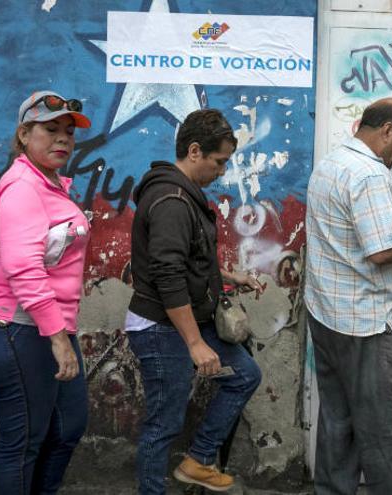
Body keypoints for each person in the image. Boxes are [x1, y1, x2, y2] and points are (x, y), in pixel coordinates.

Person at [126, 108, 263, 494]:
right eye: (219, 162)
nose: (222, 171)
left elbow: (187, 263)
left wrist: (228, 276)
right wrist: (195, 343)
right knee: (163, 425)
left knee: (245, 375)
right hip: (161, 329)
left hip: (180, 324)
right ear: (195, 151)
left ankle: (198, 459)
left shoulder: (184, 194)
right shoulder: (171, 200)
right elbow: (168, 277)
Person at [305, 97, 392, 495]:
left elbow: (350, 232)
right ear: (387, 131)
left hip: (327, 315)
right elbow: (380, 253)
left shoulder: (331, 163)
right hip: (365, 323)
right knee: (387, 433)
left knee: (337, 422)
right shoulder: (371, 175)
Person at [0, 91, 92, 494]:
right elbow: (23, 267)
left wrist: (59, 332)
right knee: (22, 443)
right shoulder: (22, 186)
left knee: (67, 427)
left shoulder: (50, 185)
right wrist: (58, 338)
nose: (63, 140)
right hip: (13, 326)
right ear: (24, 134)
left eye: (69, 133)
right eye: (50, 130)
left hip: (43, 326)